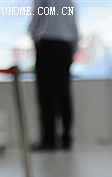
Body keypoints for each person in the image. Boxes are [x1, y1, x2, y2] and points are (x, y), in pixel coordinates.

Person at [28, 0, 78, 150]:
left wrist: (33, 35)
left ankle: (49, 138)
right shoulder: (69, 2)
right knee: (64, 94)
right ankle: (66, 137)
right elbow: (74, 28)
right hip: (65, 47)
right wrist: (72, 50)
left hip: (48, 46)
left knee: (47, 95)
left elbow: (37, 18)